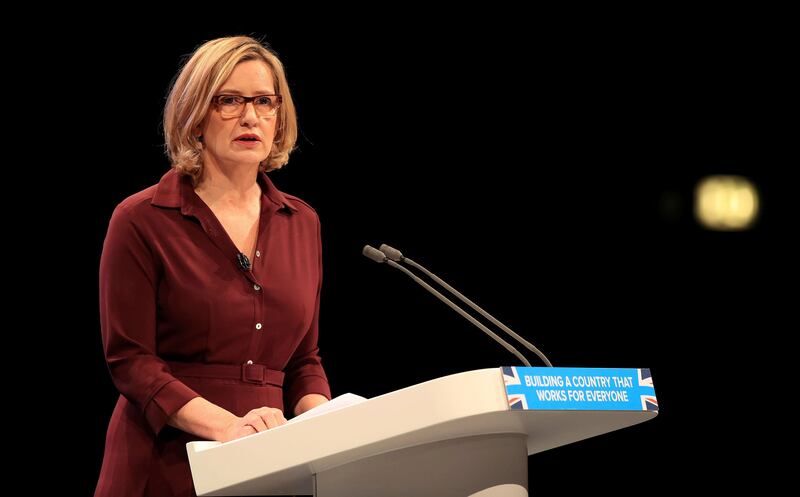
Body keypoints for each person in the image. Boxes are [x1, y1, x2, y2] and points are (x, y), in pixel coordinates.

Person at [95, 36, 332, 497]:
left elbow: (304, 359)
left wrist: (325, 423)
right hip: (167, 462)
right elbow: (131, 362)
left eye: (265, 102)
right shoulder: (141, 219)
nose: (250, 116)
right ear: (196, 116)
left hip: (272, 463)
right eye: (229, 100)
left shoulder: (302, 222)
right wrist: (228, 429)